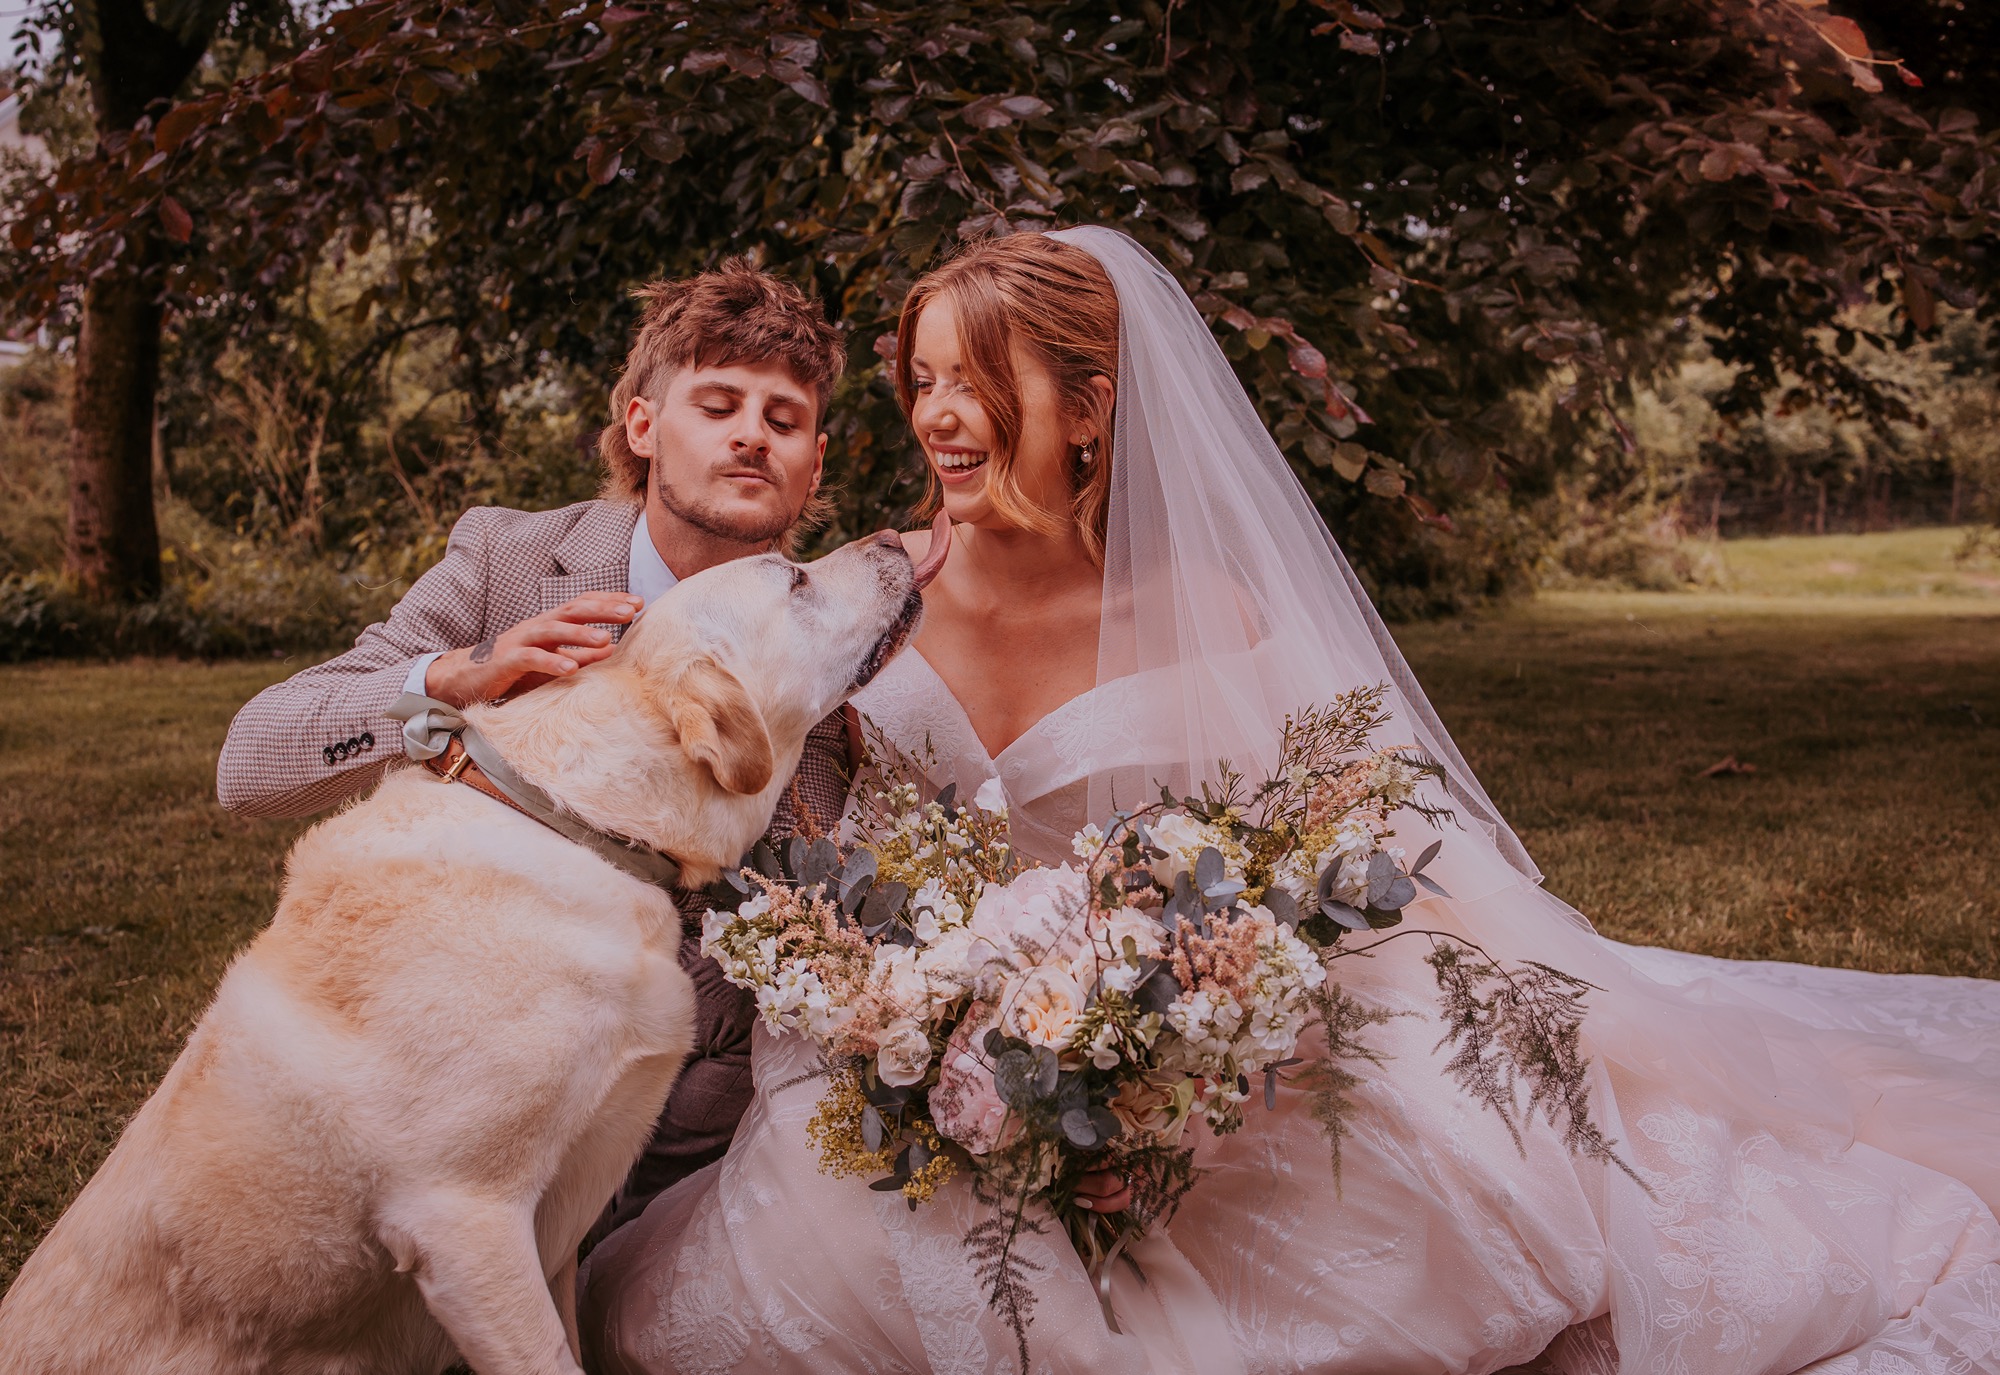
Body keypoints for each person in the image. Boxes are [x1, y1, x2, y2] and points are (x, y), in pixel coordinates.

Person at [578, 228, 2000, 1375]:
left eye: (979, 380)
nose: (939, 415)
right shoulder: (875, 588)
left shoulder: (1203, 600)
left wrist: (1174, 1017)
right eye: (924, 378)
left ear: (1088, 405)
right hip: (930, 1033)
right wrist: (928, 1003)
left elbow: (1324, 839)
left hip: (1181, 1015)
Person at [216, 259, 857, 1223]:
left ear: (813, 460)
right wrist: (448, 679)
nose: (750, 437)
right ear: (643, 427)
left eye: (783, 419)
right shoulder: (508, 563)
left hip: (686, 1116)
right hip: (449, 1066)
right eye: (718, 404)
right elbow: (249, 764)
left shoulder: (841, 645)